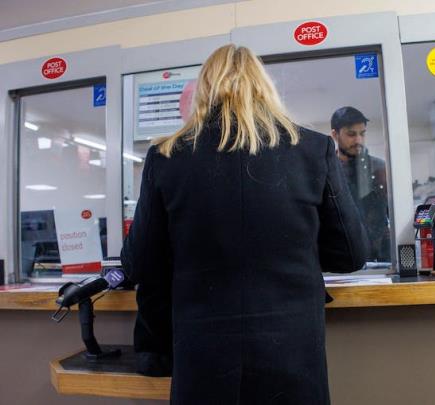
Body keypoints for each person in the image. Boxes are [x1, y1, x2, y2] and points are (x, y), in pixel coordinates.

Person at [121, 44, 369, 405]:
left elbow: (139, 264)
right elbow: (350, 254)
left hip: (203, 355)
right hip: (291, 352)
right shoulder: (314, 149)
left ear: (204, 90)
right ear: (265, 87)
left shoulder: (166, 157)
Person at [330, 106, 390, 261]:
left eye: (362, 134)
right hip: (340, 256)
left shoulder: (380, 168)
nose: (358, 140)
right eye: (351, 134)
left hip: (380, 258)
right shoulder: (327, 171)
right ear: (335, 135)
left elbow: (394, 214)